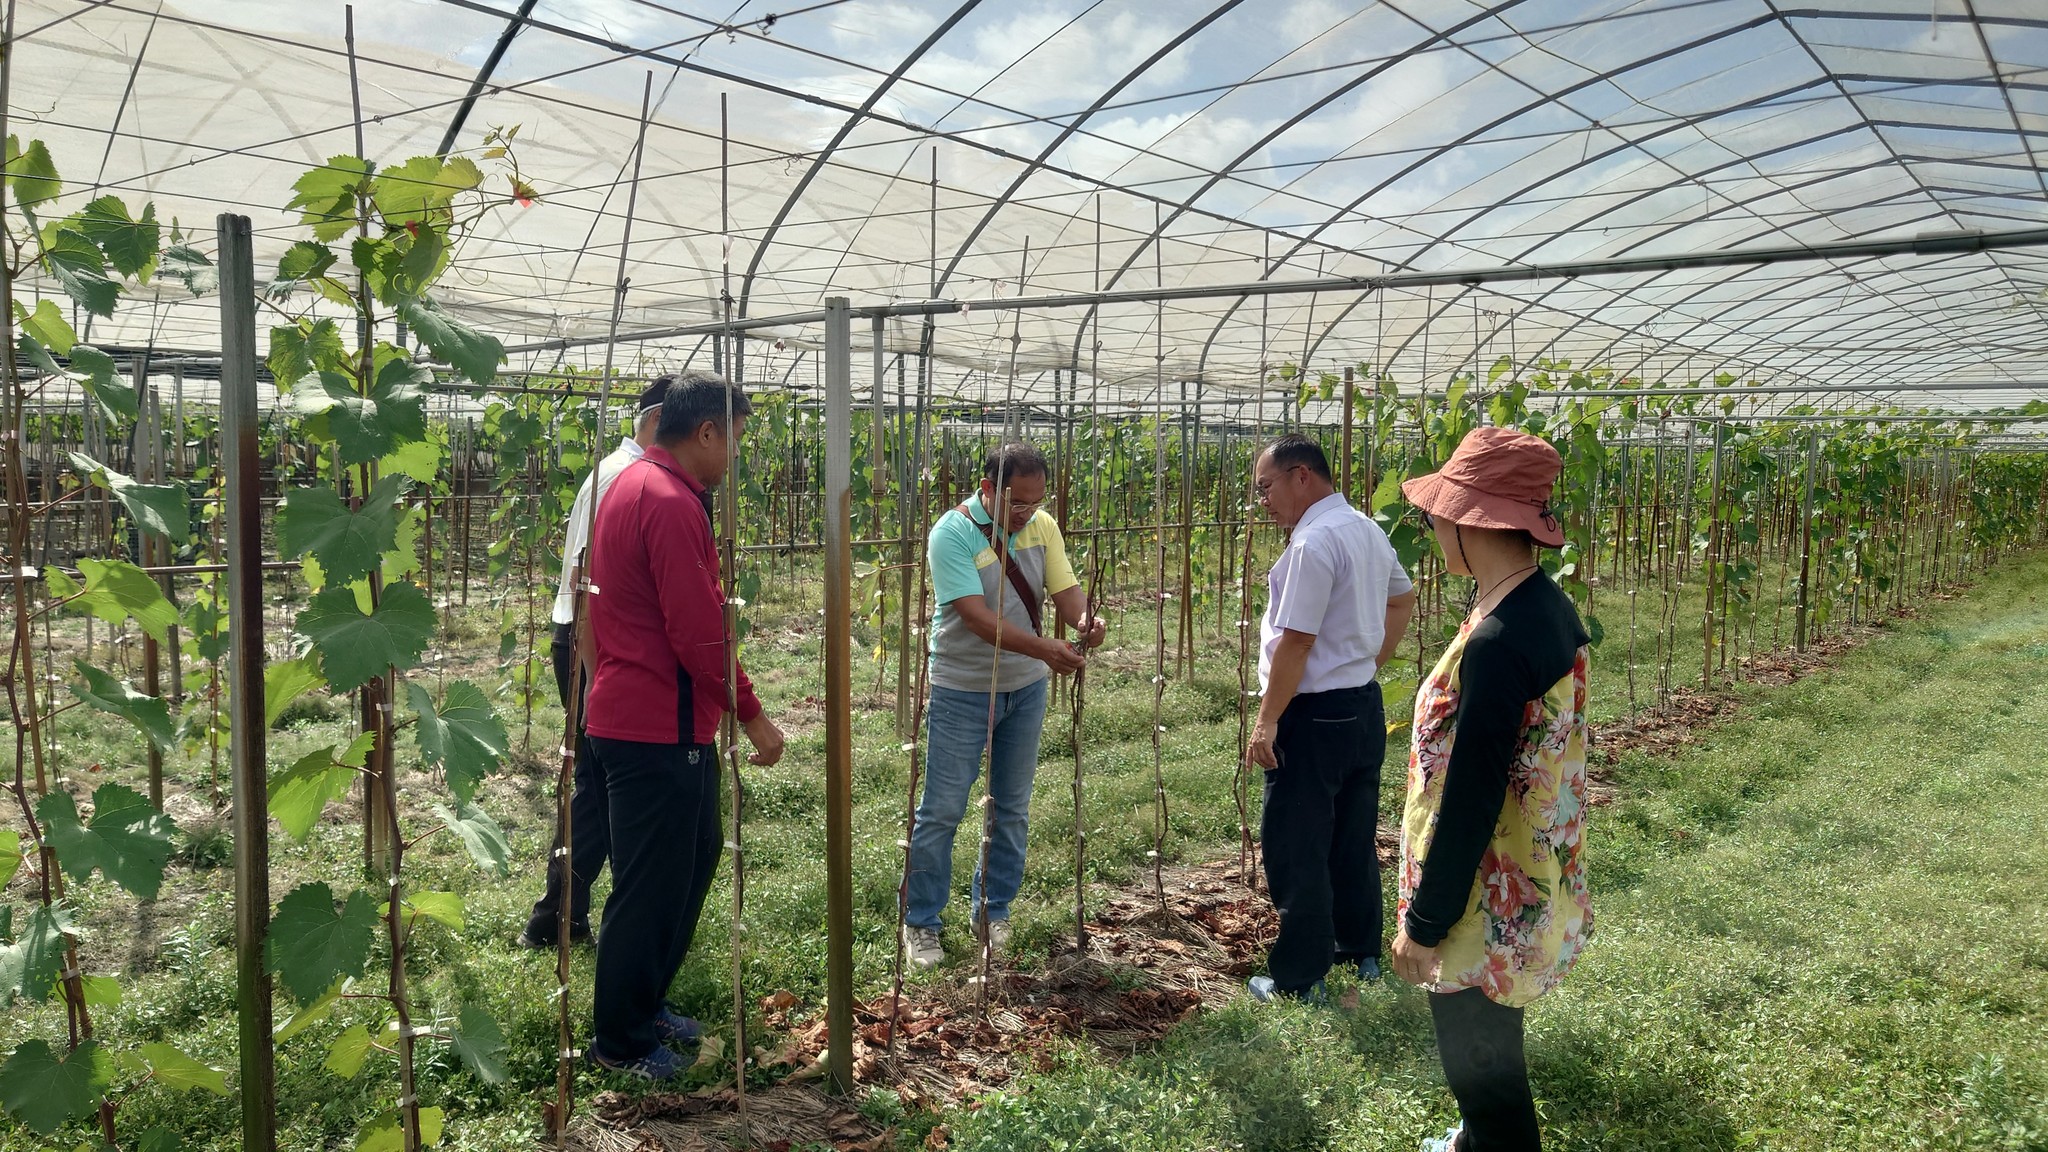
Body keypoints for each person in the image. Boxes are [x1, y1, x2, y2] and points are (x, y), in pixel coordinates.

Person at [1392, 426, 1593, 1152]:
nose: (1433, 523)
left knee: (1483, 1072)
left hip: (1481, 895)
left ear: (1473, 518)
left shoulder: (1498, 640)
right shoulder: (1542, 606)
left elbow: (1472, 795)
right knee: (1491, 1057)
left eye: (1440, 511)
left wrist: (1425, 920)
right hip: (1525, 876)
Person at [581, 370, 786, 1080]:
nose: (735, 457)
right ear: (706, 432)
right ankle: (620, 1044)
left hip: (644, 717)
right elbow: (698, 629)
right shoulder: (668, 500)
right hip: (654, 727)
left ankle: (645, 1003)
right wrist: (752, 714)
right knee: (651, 884)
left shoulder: (635, 485)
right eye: (736, 441)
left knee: (687, 864)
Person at [902, 442, 1105, 970]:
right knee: (942, 809)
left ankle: (993, 910)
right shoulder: (952, 533)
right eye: (1018, 503)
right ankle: (921, 922)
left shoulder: (1042, 526)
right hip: (962, 688)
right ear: (988, 489)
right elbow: (975, 617)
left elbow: (1065, 590)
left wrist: (1084, 621)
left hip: (1026, 687)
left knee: (1011, 807)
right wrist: (1045, 649)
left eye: (1036, 502)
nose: (1028, 513)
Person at [1244, 434, 1415, 1001]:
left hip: (1313, 715)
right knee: (1352, 836)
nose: (1261, 500)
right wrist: (1372, 656)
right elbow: (1402, 597)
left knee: (1298, 843)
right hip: (1361, 707)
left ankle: (1297, 977)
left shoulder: (1312, 544)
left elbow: (1296, 641)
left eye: (1265, 487)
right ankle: (1359, 950)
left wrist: (1268, 721)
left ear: (1301, 477)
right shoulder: (1365, 528)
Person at [517, 376, 671, 951]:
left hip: (592, 640)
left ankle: (563, 914)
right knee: (598, 781)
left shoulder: (626, 473)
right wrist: (602, 666)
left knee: (599, 780)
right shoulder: (621, 477)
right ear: (658, 421)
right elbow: (587, 582)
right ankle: (557, 915)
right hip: (590, 641)